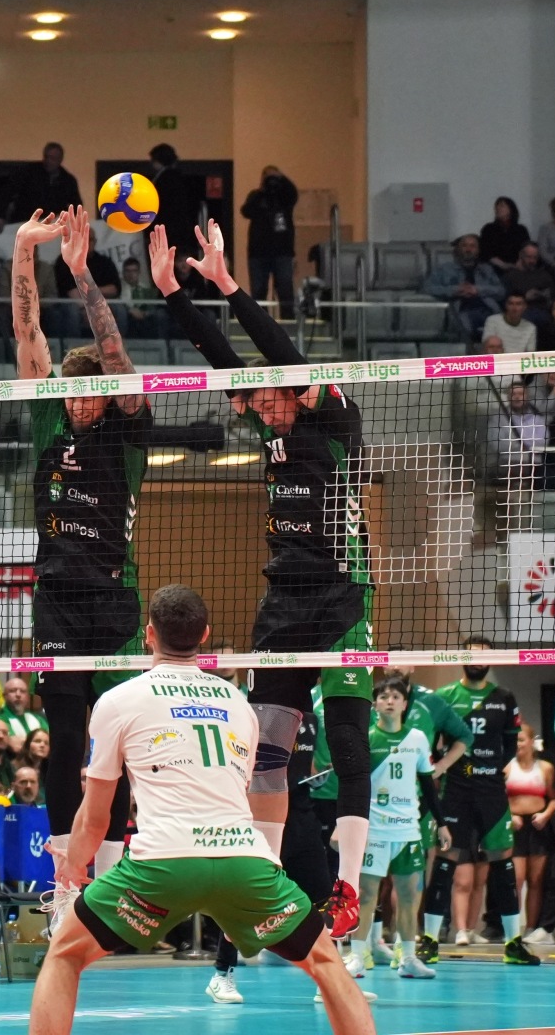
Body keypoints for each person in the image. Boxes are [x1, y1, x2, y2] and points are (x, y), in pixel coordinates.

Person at [150, 220, 371, 938]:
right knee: (266, 753)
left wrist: (228, 285)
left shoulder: (335, 420)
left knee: (347, 743)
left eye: (274, 397)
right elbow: (224, 362)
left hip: (342, 599)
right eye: (258, 400)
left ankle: (347, 887)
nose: (262, 407)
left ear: (299, 392)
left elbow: (277, 353)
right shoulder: (268, 425)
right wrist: (174, 294)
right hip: (283, 603)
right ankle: (265, 889)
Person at [28, 584, 374, 1035]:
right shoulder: (239, 704)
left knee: (65, 954)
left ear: (149, 634)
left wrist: (72, 870)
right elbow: (247, 792)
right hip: (243, 863)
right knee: (326, 962)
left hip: (162, 865)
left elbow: (96, 816)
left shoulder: (118, 701)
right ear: (205, 635)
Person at [12, 207, 151, 927]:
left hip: (115, 600)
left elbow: (116, 351)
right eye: (69, 393)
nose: (78, 402)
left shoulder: (126, 429)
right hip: (57, 600)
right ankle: (68, 883)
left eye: (87, 392)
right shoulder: (49, 422)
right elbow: (27, 335)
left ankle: (117, 876)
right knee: (66, 739)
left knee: (115, 742)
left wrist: (81, 273)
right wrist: (22, 252)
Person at [419, 638, 538, 964]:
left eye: (483, 655)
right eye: (471, 654)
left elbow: (510, 745)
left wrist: (489, 768)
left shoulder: (504, 697)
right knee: (445, 860)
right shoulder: (444, 697)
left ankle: (513, 943)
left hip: (491, 791)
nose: (477, 660)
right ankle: (429, 940)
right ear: (461, 658)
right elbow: (431, 744)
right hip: (454, 790)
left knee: (503, 861)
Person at [346, 677, 445, 981]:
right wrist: (346, 825)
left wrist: (441, 823)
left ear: (404, 704)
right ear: (374, 704)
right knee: (366, 894)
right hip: (374, 830)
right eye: (383, 696)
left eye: (395, 697)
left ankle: (409, 959)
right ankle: (358, 956)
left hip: (407, 831)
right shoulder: (366, 738)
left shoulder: (417, 738)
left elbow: (428, 784)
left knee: (409, 896)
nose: (389, 701)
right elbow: (354, 786)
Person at [508, 723, 555, 944]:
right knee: (516, 879)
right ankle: (512, 928)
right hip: (516, 826)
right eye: (515, 740)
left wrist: (546, 815)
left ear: (532, 742)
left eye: (522, 739)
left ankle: (531, 927)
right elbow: (498, 799)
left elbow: (554, 798)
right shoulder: (507, 767)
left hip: (538, 825)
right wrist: (509, 817)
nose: (518, 744)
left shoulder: (545, 768)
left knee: (536, 880)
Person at [240, 165, 300, 319]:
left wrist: (281, 178)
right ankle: (261, 324)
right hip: (258, 254)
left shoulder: (284, 197)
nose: (271, 180)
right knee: (258, 292)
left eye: (274, 176)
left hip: (283, 252)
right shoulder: (256, 196)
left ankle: (288, 323)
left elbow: (294, 194)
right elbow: (246, 211)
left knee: (285, 290)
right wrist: (261, 191)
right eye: (267, 176)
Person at [424, 234, 506, 341]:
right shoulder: (444, 269)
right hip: (460, 312)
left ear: (478, 250)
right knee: (465, 330)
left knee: (500, 331)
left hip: (488, 310)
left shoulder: (487, 269)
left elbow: (501, 291)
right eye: (464, 246)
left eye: (472, 246)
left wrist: (477, 290)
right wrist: (455, 290)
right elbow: (427, 288)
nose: (468, 249)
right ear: (458, 249)